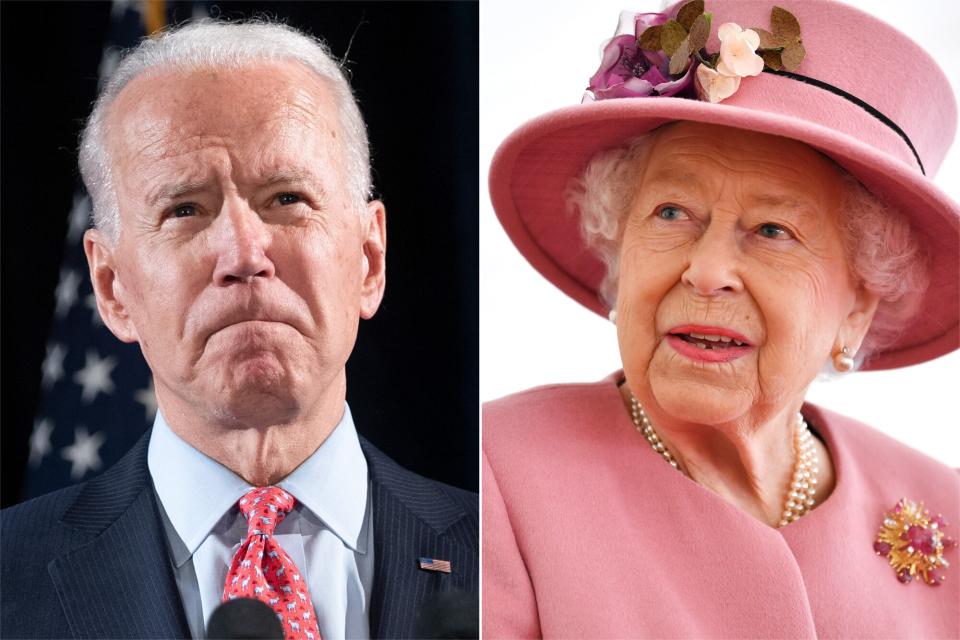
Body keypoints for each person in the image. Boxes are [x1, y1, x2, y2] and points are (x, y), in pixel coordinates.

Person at [483, 0, 959, 637]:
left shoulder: (946, 507)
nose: (706, 272)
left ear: (859, 305)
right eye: (672, 212)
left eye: (772, 229)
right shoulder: (492, 473)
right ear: (620, 251)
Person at [1, 20, 477, 640]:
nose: (245, 252)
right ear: (113, 288)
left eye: (286, 198)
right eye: (185, 209)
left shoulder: (501, 554)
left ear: (369, 260)